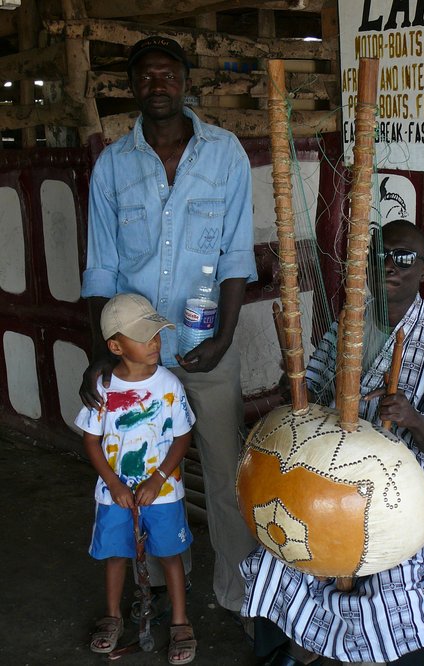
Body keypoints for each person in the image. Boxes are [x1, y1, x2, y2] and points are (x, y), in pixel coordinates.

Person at [240, 220, 424, 665]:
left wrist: (412, 419)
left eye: (403, 257)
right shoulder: (350, 322)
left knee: (390, 574)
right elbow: (314, 393)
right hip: (332, 469)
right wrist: (292, 381)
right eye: (380, 256)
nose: (390, 265)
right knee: (284, 540)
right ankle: (292, 649)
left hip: (410, 486)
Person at [79, 35, 257, 618]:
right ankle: (153, 583)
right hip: (136, 357)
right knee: (138, 468)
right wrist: (102, 353)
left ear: (185, 83)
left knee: (227, 476)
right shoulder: (113, 164)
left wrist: (223, 340)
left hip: (206, 348)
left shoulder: (225, 153)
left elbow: (236, 257)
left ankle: (240, 596)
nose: (157, 85)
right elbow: (101, 268)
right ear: (132, 86)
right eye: (146, 76)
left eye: (168, 74)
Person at [75, 293, 197, 663]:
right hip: (115, 495)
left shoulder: (169, 385)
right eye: (143, 338)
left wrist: (158, 478)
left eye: (156, 334)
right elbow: (91, 440)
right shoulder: (103, 389)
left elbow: (182, 436)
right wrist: (114, 484)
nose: (155, 343)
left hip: (163, 493)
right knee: (116, 555)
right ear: (115, 346)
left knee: (171, 556)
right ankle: (112, 616)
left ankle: (180, 622)